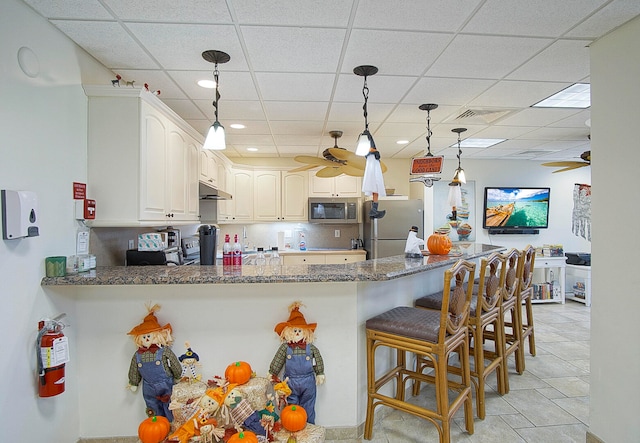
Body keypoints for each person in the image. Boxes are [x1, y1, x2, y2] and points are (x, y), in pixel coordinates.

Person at [269, 302, 324, 424]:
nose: (298, 333)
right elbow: (278, 360)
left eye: (300, 330)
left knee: (309, 405)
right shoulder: (285, 348)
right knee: (291, 405)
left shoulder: (311, 348)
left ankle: (309, 427)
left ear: (306, 332)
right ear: (288, 332)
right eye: (294, 330)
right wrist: (273, 372)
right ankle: (292, 427)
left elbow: (318, 359)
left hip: (308, 381)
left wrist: (320, 373)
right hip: (290, 382)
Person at [127, 304, 182, 421]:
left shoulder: (164, 352)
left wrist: (178, 375)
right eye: (144, 336)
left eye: (149, 335)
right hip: (148, 386)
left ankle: (172, 426)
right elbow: (134, 369)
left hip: (165, 383)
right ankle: (157, 425)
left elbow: (173, 362)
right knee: (152, 406)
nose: (147, 339)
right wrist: (133, 382)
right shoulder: (138, 355)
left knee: (170, 404)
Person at [362, 146, 387, 218]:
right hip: (373, 174)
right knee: (376, 187)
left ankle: (374, 209)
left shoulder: (372, 161)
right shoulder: (373, 162)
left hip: (372, 173)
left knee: (375, 188)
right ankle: (374, 209)